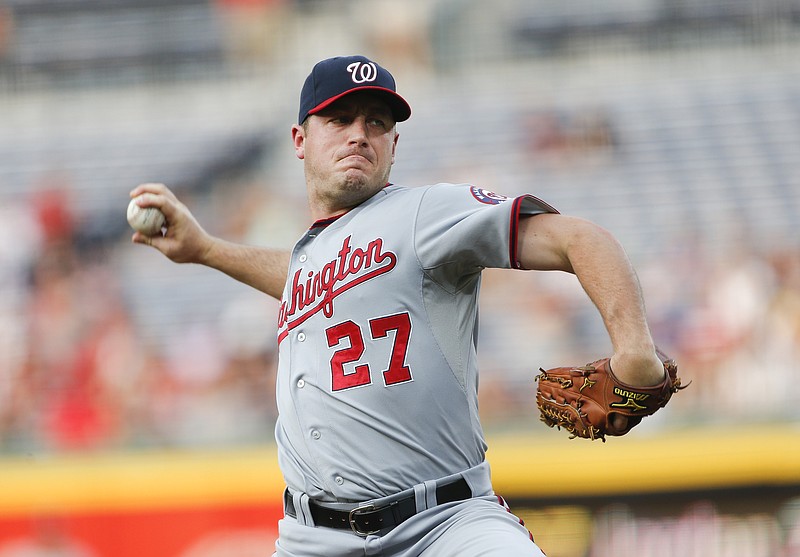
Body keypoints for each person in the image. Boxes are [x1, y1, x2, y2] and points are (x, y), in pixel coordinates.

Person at [130, 55, 666, 557]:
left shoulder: (424, 213)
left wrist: (636, 351)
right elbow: (301, 280)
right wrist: (206, 250)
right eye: (339, 119)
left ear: (394, 143)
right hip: (311, 539)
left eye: (377, 122)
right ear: (299, 139)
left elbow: (581, 239)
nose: (360, 134)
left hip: (445, 525)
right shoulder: (315, 254)